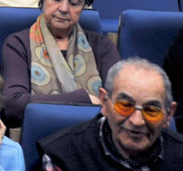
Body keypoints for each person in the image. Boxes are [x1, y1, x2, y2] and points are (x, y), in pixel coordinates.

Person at [0, 0, 118, 126]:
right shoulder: (18, 43)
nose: (63, 9)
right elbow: (13, 106)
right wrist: (84, 98)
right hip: (38, 138)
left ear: (84, 6)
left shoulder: (102, 46)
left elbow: (117, 104)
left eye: (74, 2)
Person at [39, 58, 183, 170]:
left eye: (151, 110)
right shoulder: (62, 155)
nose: (137, 121)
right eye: (125, 105)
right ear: (104, 102)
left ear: (168, 114)